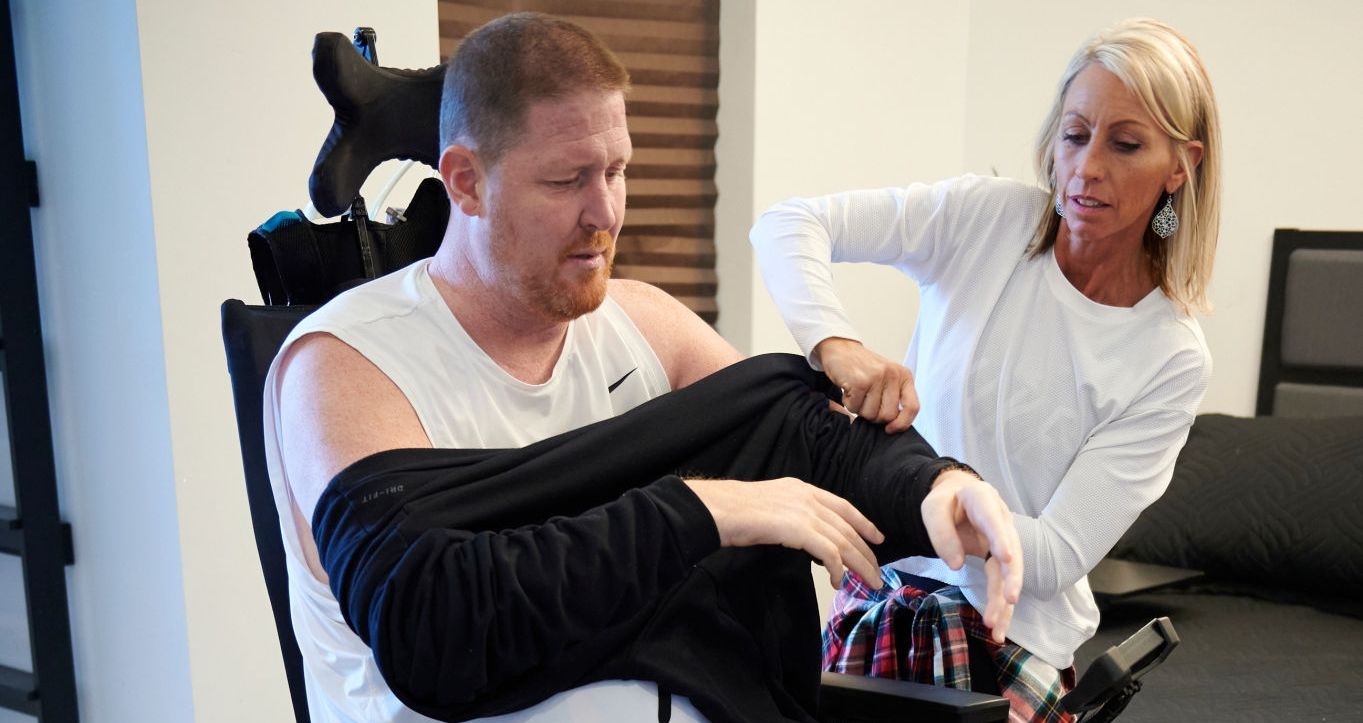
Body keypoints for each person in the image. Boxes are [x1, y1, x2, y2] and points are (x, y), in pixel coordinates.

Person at [263, 12, 1022, 723]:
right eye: (566, 181)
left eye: (617, 171)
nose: (605, 213)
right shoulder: (346, 367)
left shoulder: (640, 322)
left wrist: (934, 486)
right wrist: (704, 511)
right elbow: (432, 620)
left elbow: (804, 440)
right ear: (464, 180)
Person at [750, 17, 1219, 723]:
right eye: (1073, 134)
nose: (1085, 167)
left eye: (1124, 144)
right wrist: (834, 344)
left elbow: (1057, 553)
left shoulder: (1169, 355)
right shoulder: (987, 219)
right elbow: (786, 224)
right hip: (879, 607)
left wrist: (925, 502)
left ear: (1180, 166)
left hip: (1004, 644)